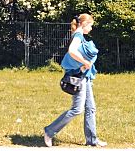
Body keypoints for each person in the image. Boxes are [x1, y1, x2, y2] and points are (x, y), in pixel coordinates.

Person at [43, 13, 107, 147]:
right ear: (84, 24)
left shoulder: (79, 35)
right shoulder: (78, 36)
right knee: (77, 109)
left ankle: (92, 140)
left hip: (85, 76)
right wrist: (85, 62)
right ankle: (49, 131)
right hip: (78, 77)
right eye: (90, 25)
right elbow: (72, 51)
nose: (91, 28)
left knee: (90, 108)